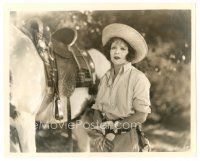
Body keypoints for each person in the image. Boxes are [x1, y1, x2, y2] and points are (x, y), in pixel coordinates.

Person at [83, 23, 151, 152]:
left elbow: (142, 115)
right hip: (104, 139)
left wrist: (114, 127)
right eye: (113, 47)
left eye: (123, 49)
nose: (117, 52)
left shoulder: (138, 78)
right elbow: (98, 109)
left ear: (129, 53)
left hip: (127, 137)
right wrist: (99, 134)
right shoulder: (106, 77)